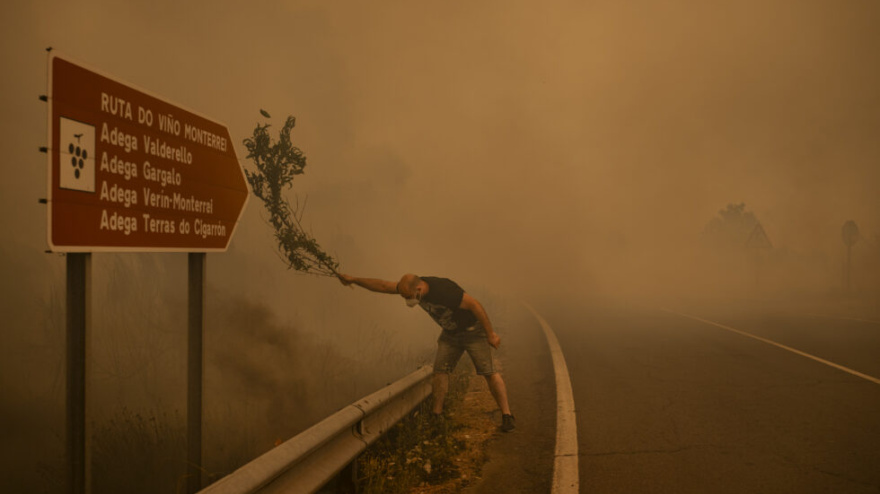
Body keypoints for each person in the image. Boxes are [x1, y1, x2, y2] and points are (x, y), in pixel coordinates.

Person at [337, 272, 516, 432]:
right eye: (404, 296)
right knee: (440, 372)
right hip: (450, 334)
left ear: (420, 288)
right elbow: (383, 286)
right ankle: (436, 415)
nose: (408, 300)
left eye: (410, 296)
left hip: (472, 332)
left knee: (488, 372)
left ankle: (507, 415)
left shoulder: (445, 291)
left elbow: (476, 305)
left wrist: (491, 334)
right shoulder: (409, 286)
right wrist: (354, 280)